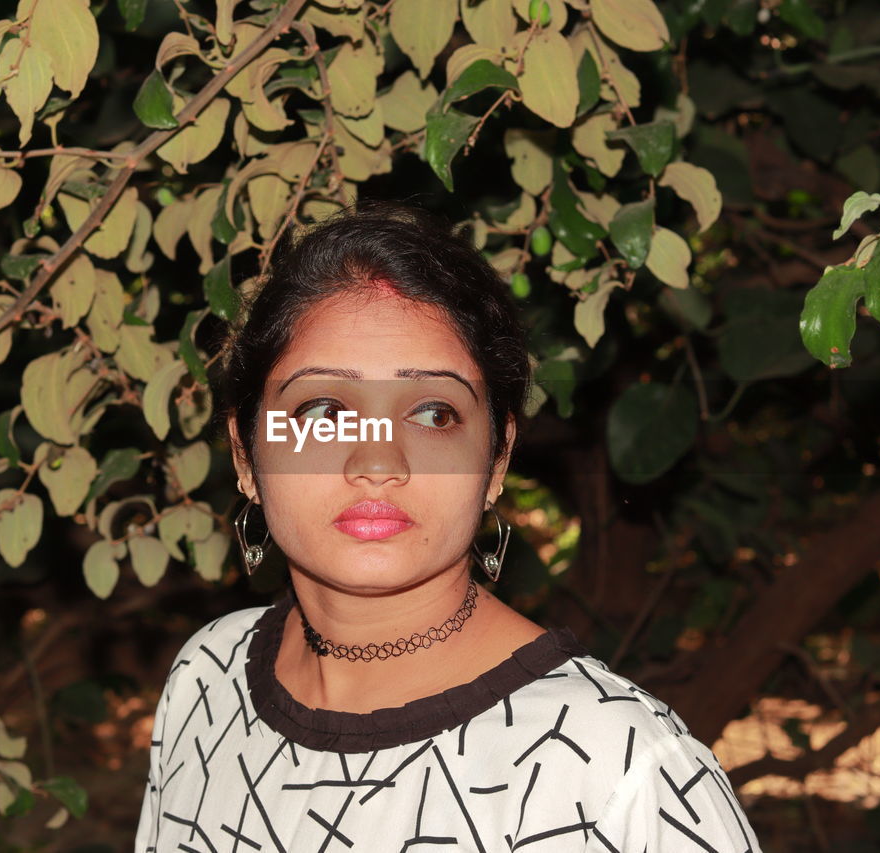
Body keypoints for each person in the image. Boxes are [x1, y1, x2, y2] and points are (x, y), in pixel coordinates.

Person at [134, 201, 764, 852]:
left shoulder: (615, 770)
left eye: (433, 413)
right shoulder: (207, 679)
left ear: (496, 459)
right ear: (245, 454)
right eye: (324, 409)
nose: (377, 460)